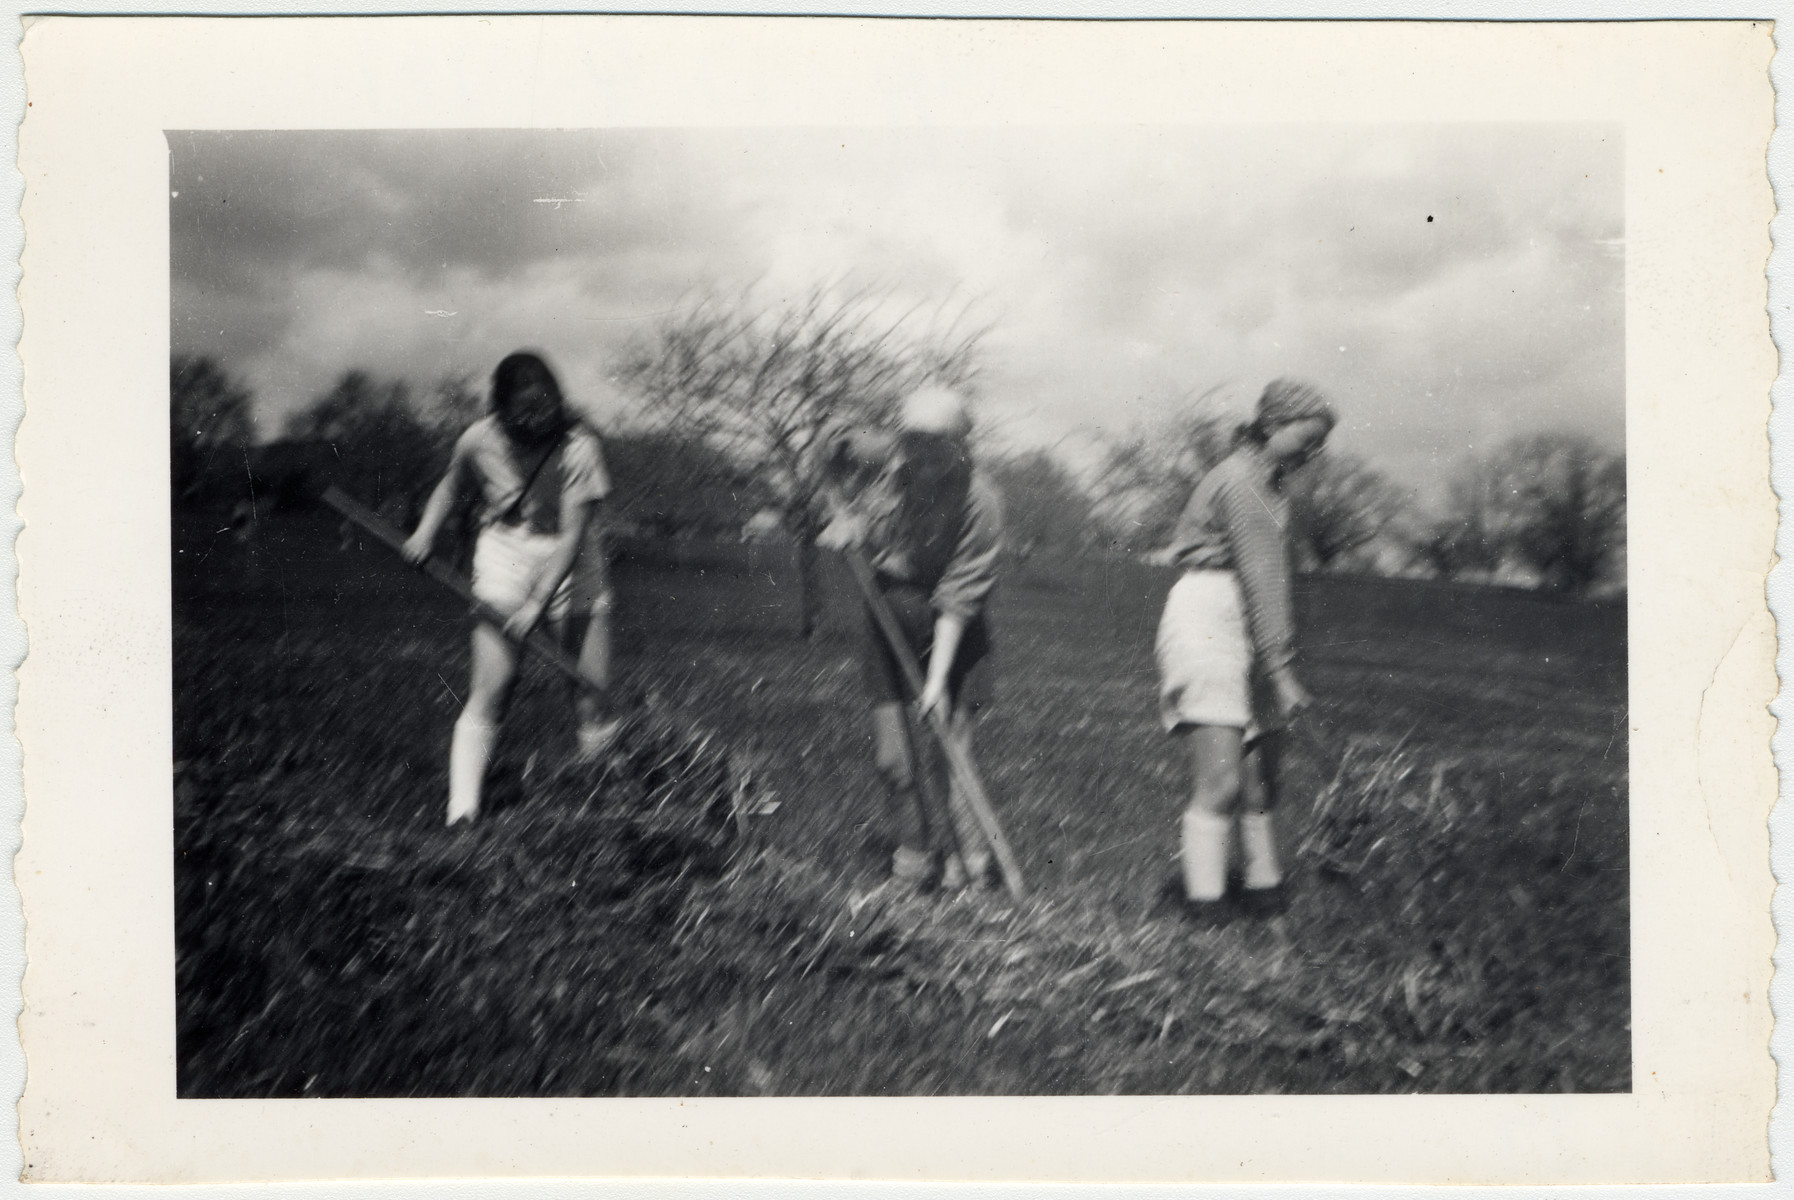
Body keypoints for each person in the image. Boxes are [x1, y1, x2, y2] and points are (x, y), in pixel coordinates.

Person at [402, 351, 620, 826]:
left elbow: (571, 536)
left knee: (589, 692)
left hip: (571, 559)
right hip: (504, 552)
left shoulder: (580, 448)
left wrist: (538, 602)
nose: (533, 429)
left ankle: (604, 814)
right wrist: (425, 532)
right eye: (521, 419)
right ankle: (462, 812)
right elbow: (449, 487)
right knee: (492, 685)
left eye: (543, 416)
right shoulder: (477, 440)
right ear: (500, 413)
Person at [1153, 378, 1335, 920]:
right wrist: (1281, 673)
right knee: (1223, 781)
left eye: (1320, 442)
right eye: (1307, 437)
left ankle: (1265, 898)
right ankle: (1204, 915)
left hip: (1245, 623)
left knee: (1260, 782)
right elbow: (1260, 578)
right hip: (1209, 618)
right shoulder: (1242, 483)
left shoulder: (1267, 483)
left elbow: (1267, 585)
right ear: (1273, 425)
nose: (1314, 451)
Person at [822, 385, 1005, 893]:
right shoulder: (889, 464)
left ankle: (970, 874)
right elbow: (832, 445)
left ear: (962, 443)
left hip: (956, 630)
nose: (923, 454)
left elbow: (959, 595)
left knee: (952, 756)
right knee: (892, 759)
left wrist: (938, 680)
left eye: (937, 443)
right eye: (914, 441)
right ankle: (912, 869)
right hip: (888, 620)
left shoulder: (980, 500)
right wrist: (845, 514)